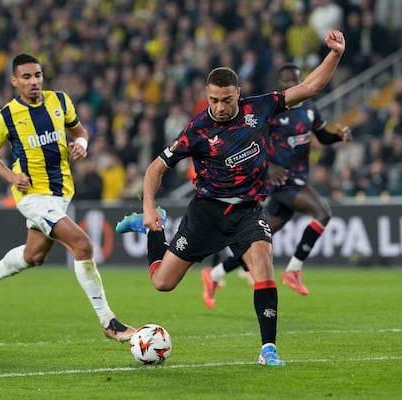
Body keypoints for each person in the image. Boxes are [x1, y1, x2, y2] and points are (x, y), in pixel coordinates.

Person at [120, 30, 345, 366]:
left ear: (238, 94)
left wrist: (335, 54)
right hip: (206, 213)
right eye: (213, 100)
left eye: (226, 100)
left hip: (249, 211)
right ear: (206, 96)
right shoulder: (196, 130)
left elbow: (309, 88)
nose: (220, 107)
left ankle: (268, 349)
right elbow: (155, 167)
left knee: (263, 267)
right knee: (162, 283)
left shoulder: (261, 107)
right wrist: (149, 208)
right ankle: (155, 229)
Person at [0, 53, 135, 342]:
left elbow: (79, 131)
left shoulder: (60, 101)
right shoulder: (5, 117)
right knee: (83, 245)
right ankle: (109, 322)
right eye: (26, 77)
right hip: (32, 195)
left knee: (33, 256)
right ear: (14, 81)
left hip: (62, 192)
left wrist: (82, 144)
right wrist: (11, 177)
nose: (33, 81)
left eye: (37, 75)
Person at [200, 62, 351, 308]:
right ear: (281, 85)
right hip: (279, 182)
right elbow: (251, 141)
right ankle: (293, 269)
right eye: (287, 82)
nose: (292, 85)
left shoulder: (310, 109)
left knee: (258, 241)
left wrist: (338, 136)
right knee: (323, 212)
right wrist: (268, 166)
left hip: (298, 179)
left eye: (296, 80)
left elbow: (322, 136)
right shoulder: (273, 112)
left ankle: (214, 274)